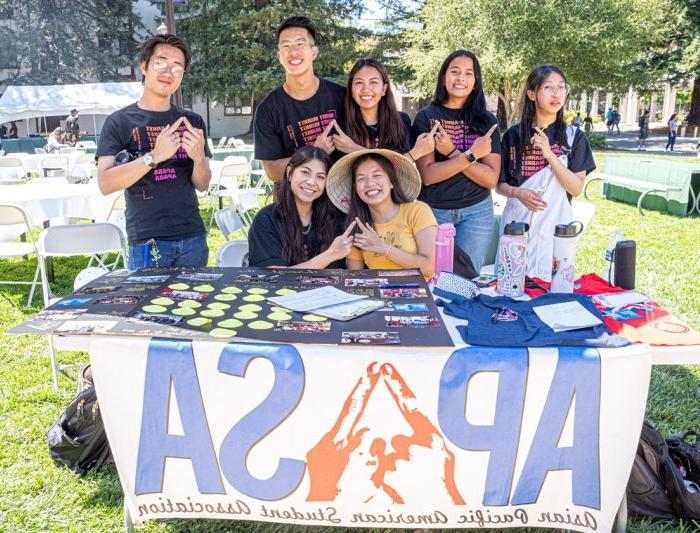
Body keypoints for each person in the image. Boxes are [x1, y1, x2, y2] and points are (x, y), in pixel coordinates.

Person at [96, 34, 212, 270]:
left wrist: (199, 158)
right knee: (148, 307)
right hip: (147, 241)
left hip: (192, 237)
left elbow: (202, 184)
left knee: (192, 306)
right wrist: (155, 156)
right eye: (160, 62)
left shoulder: (192, 121)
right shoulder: (119, 122)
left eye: (177, 67)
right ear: (144, 66)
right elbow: (105, 183)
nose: (168, 72)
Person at [496, 64, 595, 280]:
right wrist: (517, 193)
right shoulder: (513, 135)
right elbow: (500, 185)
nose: (556, 93)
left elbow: (576, 188)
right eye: (548, 87)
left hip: (555, 229)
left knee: (550, 290)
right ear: (532, 94)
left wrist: (549, 155)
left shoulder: (574, 138)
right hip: (516, 228)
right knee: (510, 286)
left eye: (561, 87)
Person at [410, 50, 500, 271]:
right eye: (455, 72)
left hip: (476, 213)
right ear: (443, 77)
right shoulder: (426, 117)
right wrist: (471, 155)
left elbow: (490, 179)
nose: (461, 78)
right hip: (434, 211)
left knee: (466, 280)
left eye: (468, 73)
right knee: (433, 276)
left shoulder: (487, 120)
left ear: (475, 81)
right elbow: (429, 176)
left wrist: (450, 153)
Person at [254, 16, 346, 182]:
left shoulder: (342, 97)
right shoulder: (268, 109)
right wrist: (312, 152)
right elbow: (272, 172)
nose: (293, 51)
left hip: (339, 196)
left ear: (314, 52)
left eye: (300, 44)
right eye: (286, 46)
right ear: (279, 56)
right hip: (294, 201)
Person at [327, 149, 437, 279]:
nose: (370, 183)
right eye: (362, 179)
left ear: (391, 182)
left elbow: (430, 268)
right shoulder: (357, 226)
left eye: (377, 175)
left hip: (423, 295)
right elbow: (355, 278)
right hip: (382, 297)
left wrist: (382, 248)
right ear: (355, 188)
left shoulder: (417, 211)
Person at [248, 145, 351, 268]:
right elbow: (276, 276)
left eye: (320, 177)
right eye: (305, 172)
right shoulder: (266, 219)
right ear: (289, 173)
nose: (311, 182)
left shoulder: (333, 218)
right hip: (283, 288)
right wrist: (330, 255)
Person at [330, 58, 436, 162]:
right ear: (351, 90)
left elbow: (401, 171)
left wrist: (354, 149)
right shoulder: (341, 129)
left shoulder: (402, 121)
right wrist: (414, 154)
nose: (366, 89)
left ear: (384, 89)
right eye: (359, 83)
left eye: (373, 82)